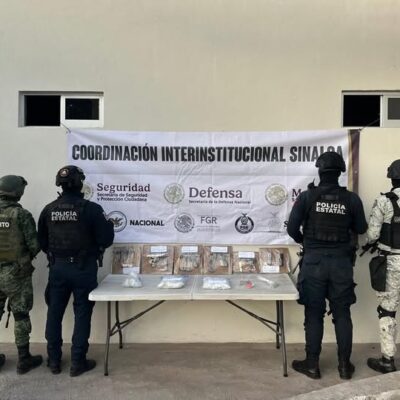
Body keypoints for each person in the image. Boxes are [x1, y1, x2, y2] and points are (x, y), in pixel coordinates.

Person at [287, 151, 367, 380]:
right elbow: (361, 228)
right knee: (342, 314)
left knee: (314, 314)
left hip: (314, 264)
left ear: (320, 170)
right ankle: (344, 366)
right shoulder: (352, 199)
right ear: (340, 172)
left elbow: (292, 229)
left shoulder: (307, 197)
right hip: (341, 264)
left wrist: (306, 242)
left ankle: (312, 365)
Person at [38, 165, 114, 377]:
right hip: (83, 269)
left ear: (59, 185)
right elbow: (106, 239)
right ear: (80, 183)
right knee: (82, 314)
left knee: (54, 313)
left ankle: (54, 361)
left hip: (58, 268)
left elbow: (42, 242)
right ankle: (77, 362)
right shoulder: (91, 209)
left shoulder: (49, 209)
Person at [0, 175, 43, 374]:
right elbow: (34, 245)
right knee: (21, 314)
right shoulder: (21, 215)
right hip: (16, 273)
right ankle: (24, 359)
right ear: (16, 192)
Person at [365, 159, 400, 374]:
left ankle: (388, 361)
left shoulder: (384, 201)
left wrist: (371, 243)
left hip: (392, 263)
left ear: (392, 178)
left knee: (387, 311)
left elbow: (372, 235)